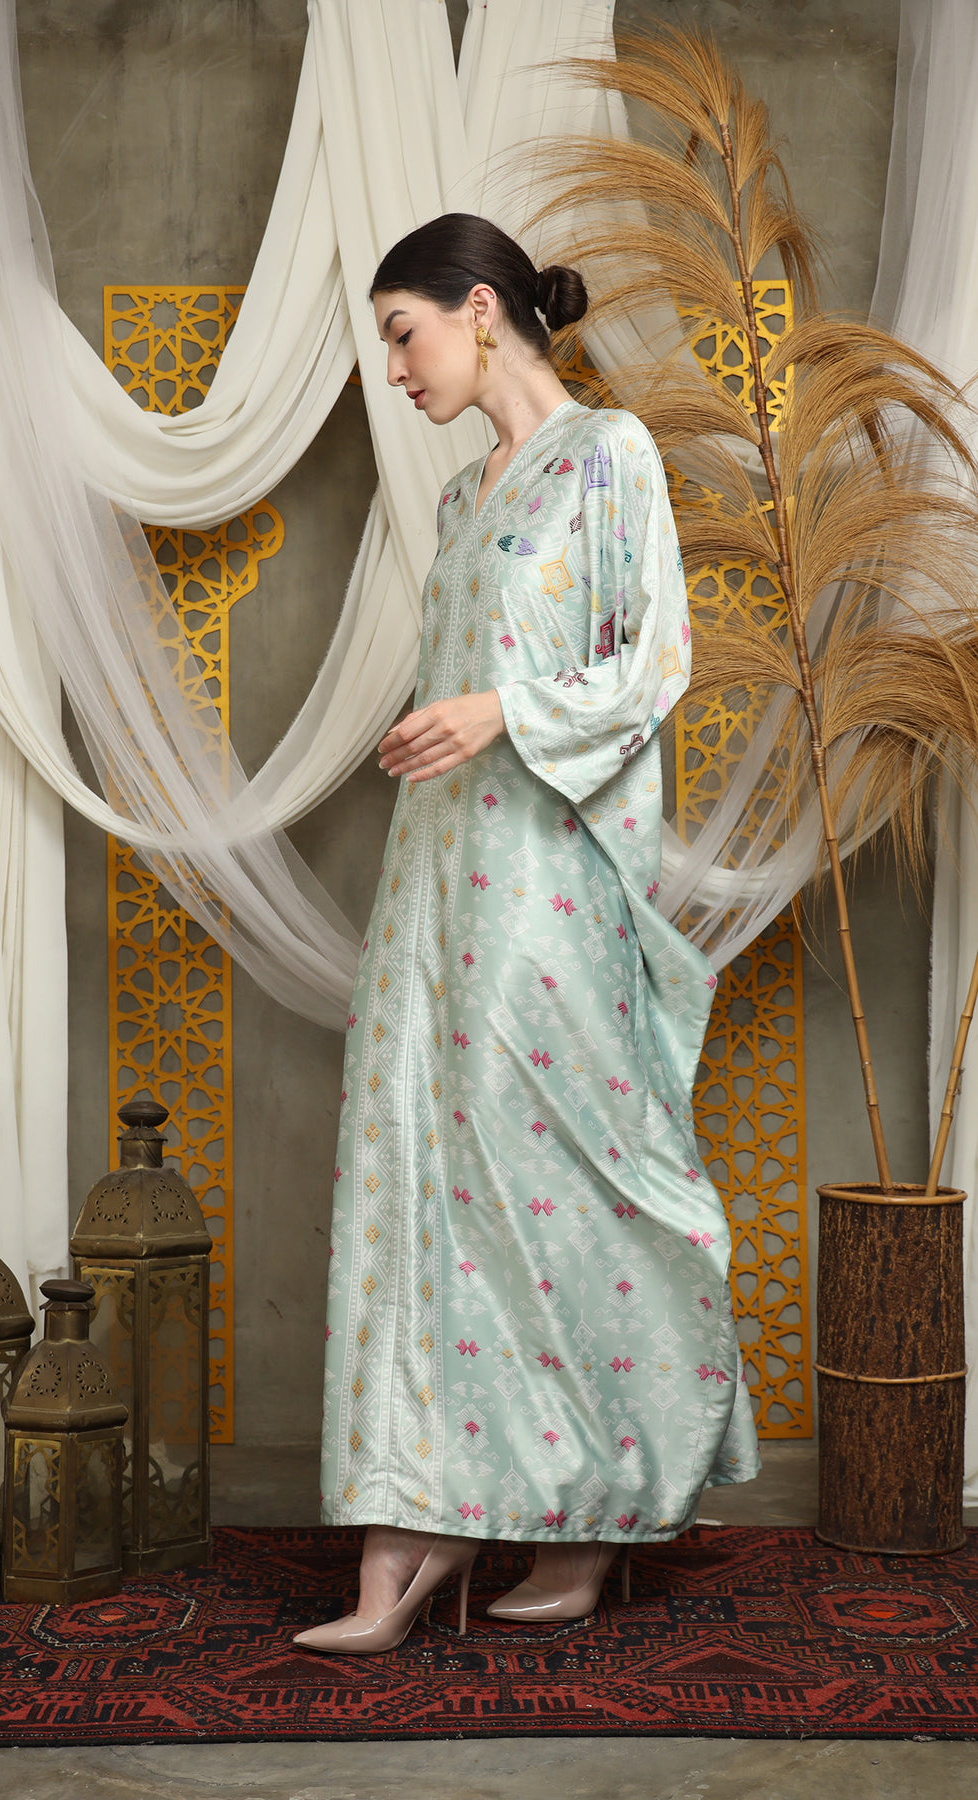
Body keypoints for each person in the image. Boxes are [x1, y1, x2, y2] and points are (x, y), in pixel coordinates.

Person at [292, 213, 759, 1656]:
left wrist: (500, 709)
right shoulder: (458, 497)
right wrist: (440, 723)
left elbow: (653, 661)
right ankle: (410, 1529)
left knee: (554, 1189)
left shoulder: (606, 455)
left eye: (404, 334)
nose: (396, 369)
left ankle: (583, 1516)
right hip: (437, 882)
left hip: (549, 887)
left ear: (481, 309)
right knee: (415, 1181)